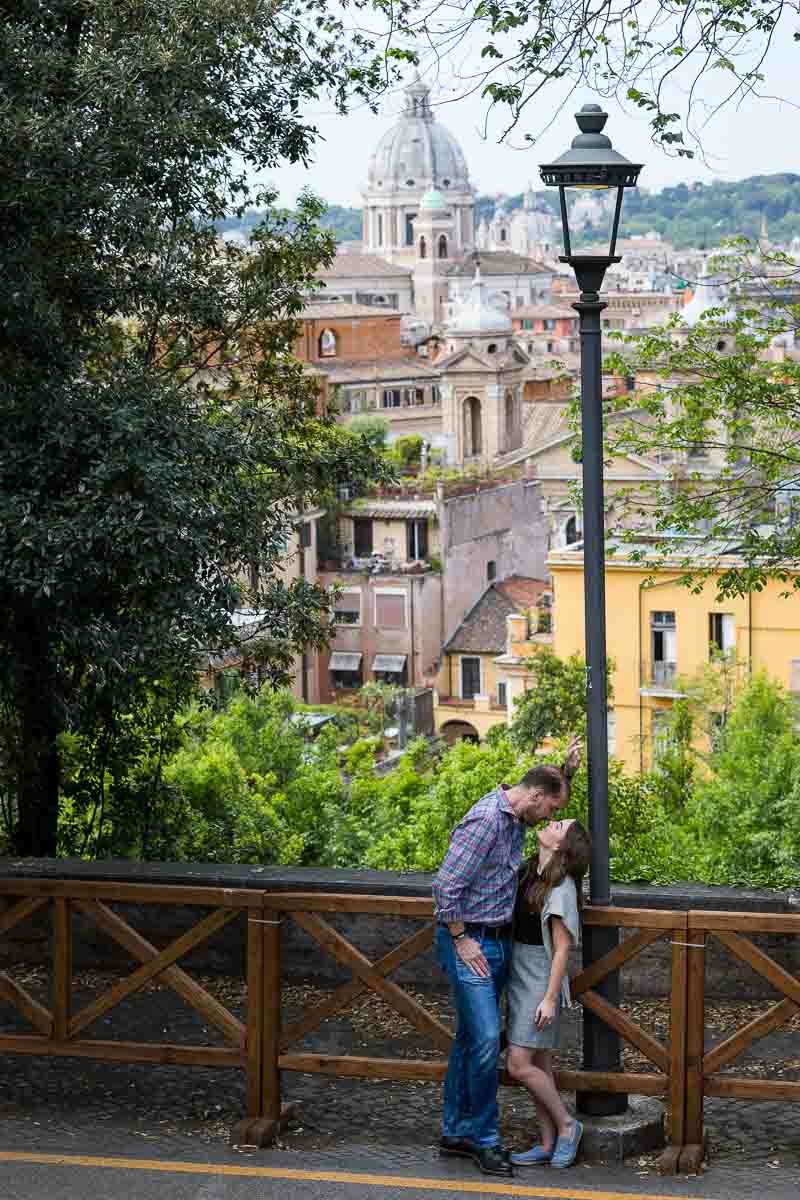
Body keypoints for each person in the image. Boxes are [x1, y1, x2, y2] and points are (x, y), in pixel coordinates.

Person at [431, 741, 581, 1179]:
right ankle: (485, 1140)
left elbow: (552, 800)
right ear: (534, 798)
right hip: (471, 943)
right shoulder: (485, 822)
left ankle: (456, 1131)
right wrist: (460, 939)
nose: (551, 819)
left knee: (468, 1041)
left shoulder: (519, 817)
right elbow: (445, 888)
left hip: (497, 945)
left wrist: (566, 775)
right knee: (482, 1044)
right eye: (550, 811)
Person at [506, 818, 592, 1169]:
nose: (549, 821)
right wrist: (566, 770)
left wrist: (549, 998)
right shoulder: (533, 870)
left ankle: (568, 1125)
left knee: (518, 1064)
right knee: (539, 1063)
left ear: (562, 845)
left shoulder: (562, 887)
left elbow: (561, 950)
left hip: (540, 976)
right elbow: (543, 794)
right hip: (519, 971)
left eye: (558, 824)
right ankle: (546, 1142)